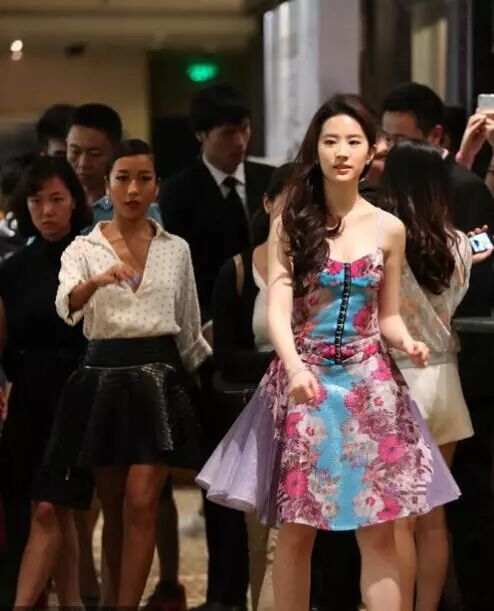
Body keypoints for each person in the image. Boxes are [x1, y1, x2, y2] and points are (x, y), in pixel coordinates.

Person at [197, 94, 460, 611]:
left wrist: (407, 341)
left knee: (379, 529)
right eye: (331, 141)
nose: (342, 152)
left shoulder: (388, 228)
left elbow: (387, 315)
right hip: (306, 385)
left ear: (371, 151)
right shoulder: (292, 221)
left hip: (371, 388)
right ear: (315, 148)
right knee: (296, 528)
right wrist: (295, 366)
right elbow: (278, 309)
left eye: (353, 142)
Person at [47, 138, 211, 608]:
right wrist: (96, 281)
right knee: (114, 507)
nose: (133, 189)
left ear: (157, 186)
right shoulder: (83, 247)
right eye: (123, 178)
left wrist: (204, 385)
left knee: (142, 501)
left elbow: (189, 327)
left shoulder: (176, 249)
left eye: (144, 179)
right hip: (103, 377)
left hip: (159, 379)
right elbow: (66, 305)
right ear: (107, 185)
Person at [160, 84, 273, 611]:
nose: (240, 142)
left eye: (245, 130)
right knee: (222, 479)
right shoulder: (178, 193)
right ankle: (225, 595)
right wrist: (201, 328)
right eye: (229, 133)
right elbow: (176, 271)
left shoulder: (269, 182)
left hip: (268, 331)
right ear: (202, 135)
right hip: (209, 347)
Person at [382, 82, 494, 611]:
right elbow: (482, 245)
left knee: (398, 519)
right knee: (433, 515)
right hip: (447, 382)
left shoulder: (384, 238)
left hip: (398, 379)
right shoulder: (456, 243)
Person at [0, 157, 93, 608]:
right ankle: (71, 602)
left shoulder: (90, 257)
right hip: (28, 395)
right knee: (51, 511)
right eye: (36, 200)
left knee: (51, 506)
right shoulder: (12, 268)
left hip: (77, 392)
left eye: (56, 199)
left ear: (74, 200)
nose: (47, 210)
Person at [212, 164, 293, 610]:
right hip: (259, 413)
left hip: (314, 411)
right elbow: (225, 355)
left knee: (302, 536)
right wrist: (287, 362)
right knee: (262, 537)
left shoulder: (324, 269)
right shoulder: (239, 270)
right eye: (289, 201)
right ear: (267, 202)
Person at [67, 103, 162, 226]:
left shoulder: (139, 208)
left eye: (94, 154)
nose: (83, 163)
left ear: (115, 151)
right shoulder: (56, 202)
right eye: (75, 151)